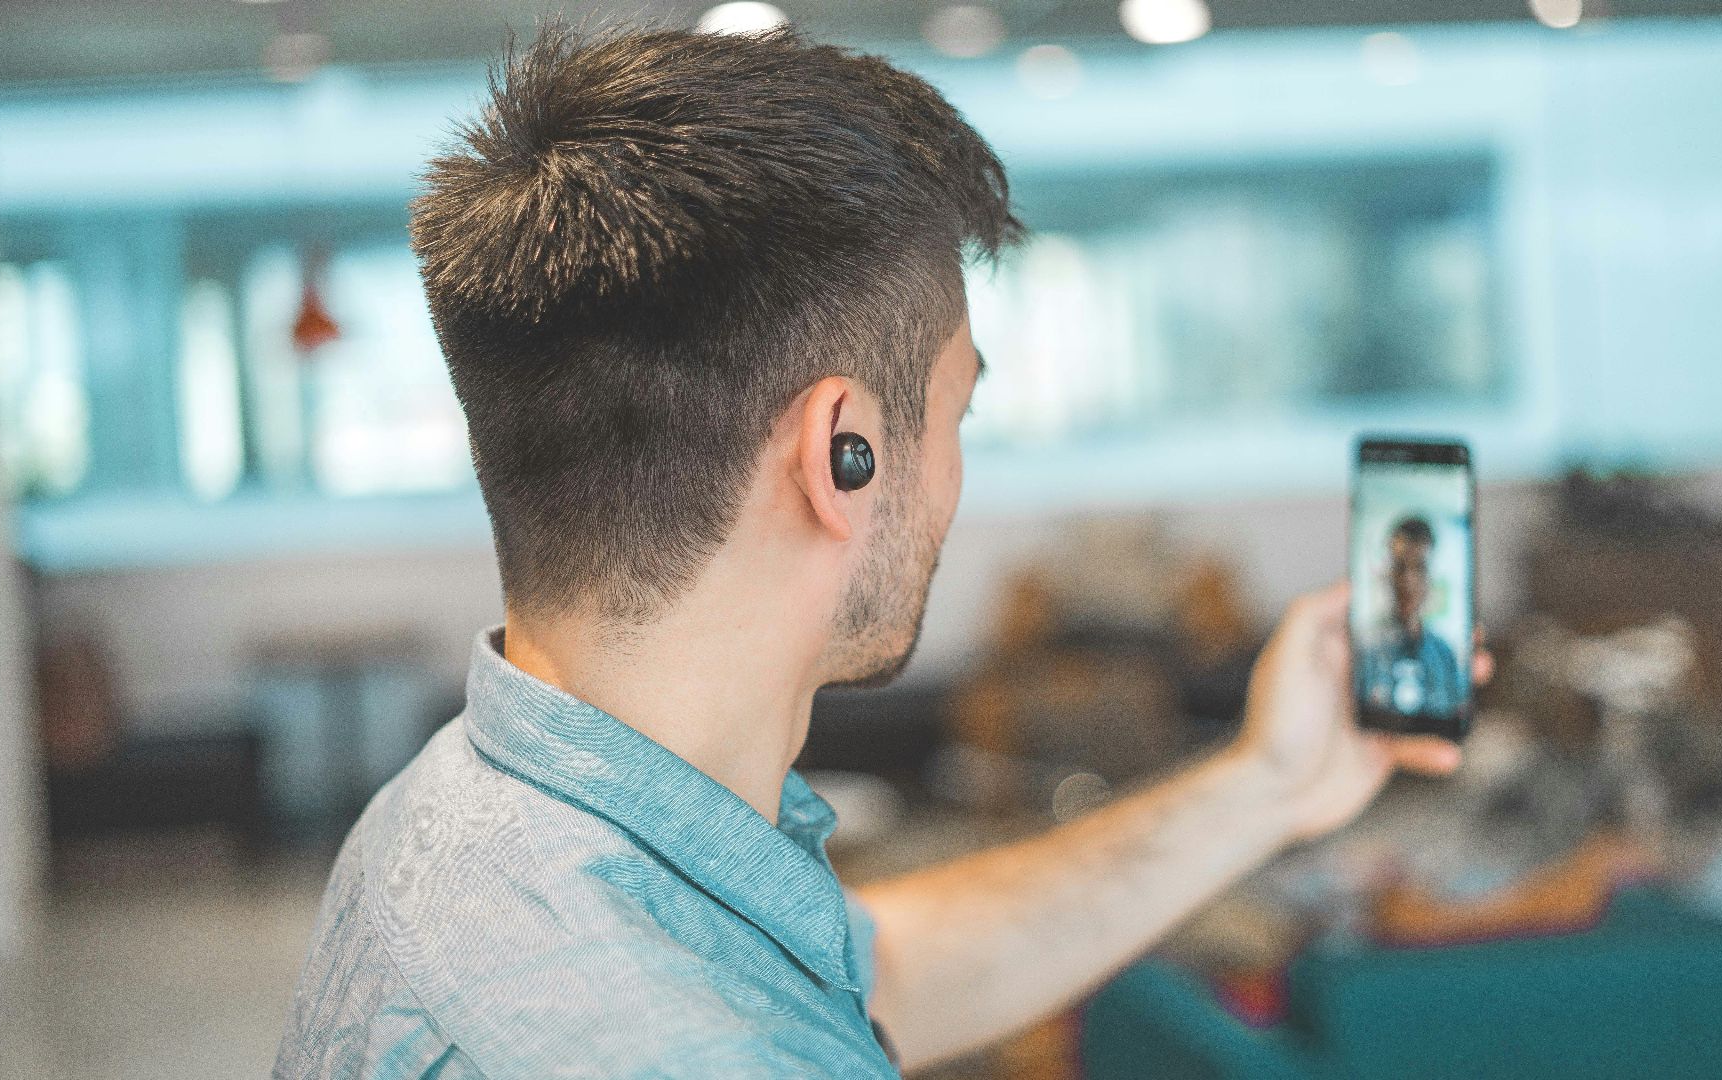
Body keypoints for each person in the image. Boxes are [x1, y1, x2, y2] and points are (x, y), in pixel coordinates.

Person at [274, 24, 1473, 1079]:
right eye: (958, 413)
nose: (954, 475)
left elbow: (877, 978)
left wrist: (1270, 781)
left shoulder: (471, 813)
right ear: (841, 451)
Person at [1357, 515, 1468, 723]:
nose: (1408, 582)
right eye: (1400, 568)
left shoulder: (1445, 655)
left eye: (1419, 568)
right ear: (1388, 574)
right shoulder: (1363, 650)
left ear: (1430, 577)